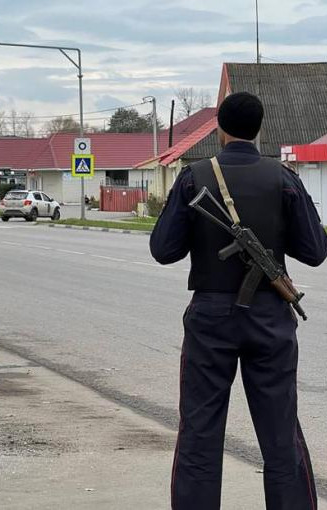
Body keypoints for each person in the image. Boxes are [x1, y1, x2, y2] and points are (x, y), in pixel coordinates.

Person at [150, 92, 327, 510]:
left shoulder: (194, 176)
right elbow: (315, 251)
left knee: (199, 432)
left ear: (220, 130)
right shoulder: (283, 177)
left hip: (211, 317)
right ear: (260, 129)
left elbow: (164, 249)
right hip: (269, 317)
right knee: (281, 435)